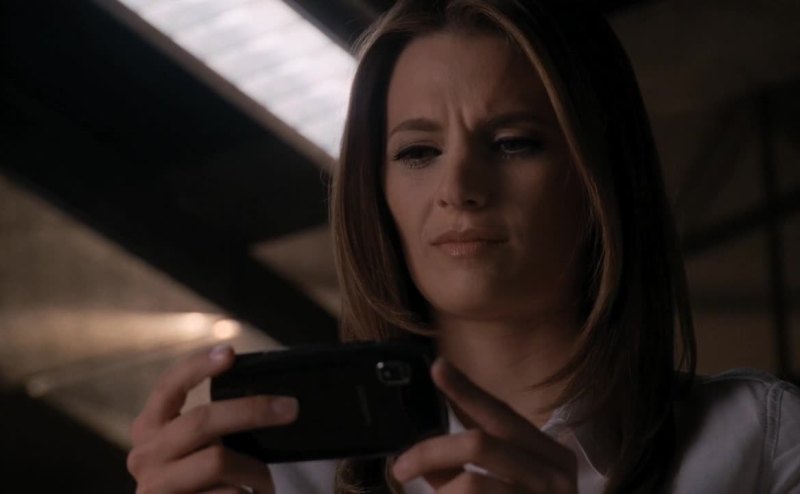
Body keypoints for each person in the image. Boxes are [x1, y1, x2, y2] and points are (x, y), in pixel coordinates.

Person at [126, 0, 800, 493]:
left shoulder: (759, 440)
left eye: (513, 143)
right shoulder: (275, 474)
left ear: (600, 176)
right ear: (376, 193)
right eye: (418, 152)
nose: (458, 189)